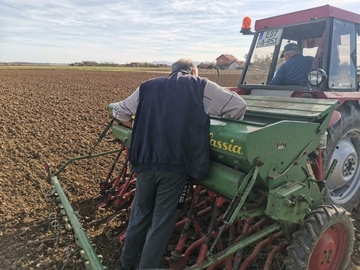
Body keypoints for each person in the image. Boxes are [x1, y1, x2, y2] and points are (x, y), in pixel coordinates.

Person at [112, 58, 247, 270]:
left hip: (144, 161)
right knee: (162, 222)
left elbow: (119, 112)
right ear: (194, 71)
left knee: (140, 213)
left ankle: (126, 264)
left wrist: (140, 128)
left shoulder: (147, 86)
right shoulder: (200, 85)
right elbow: (238, 106)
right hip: (176, 167)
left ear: (171, 71)